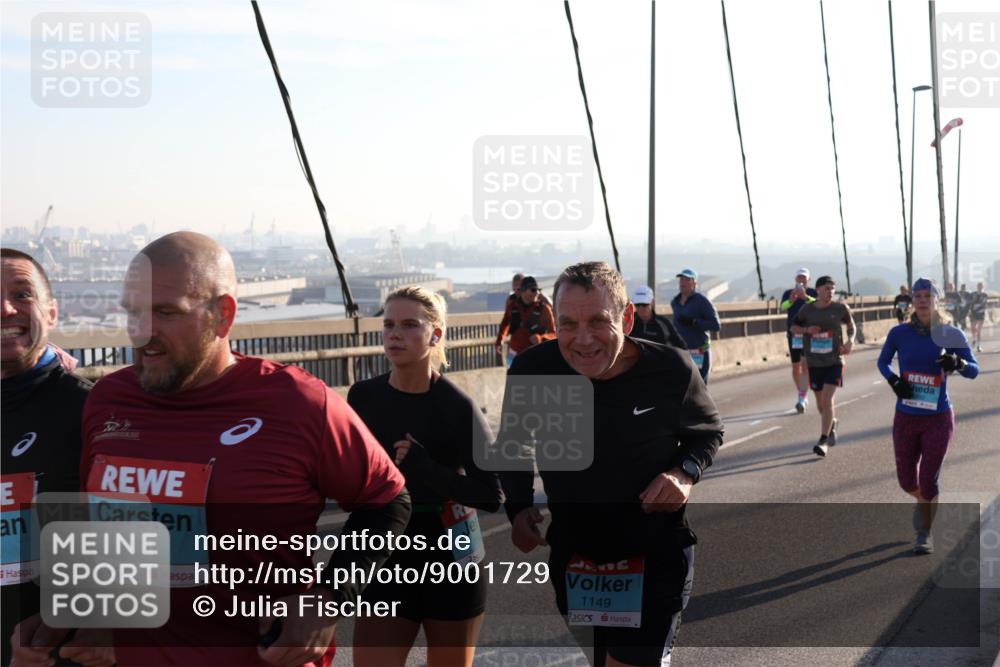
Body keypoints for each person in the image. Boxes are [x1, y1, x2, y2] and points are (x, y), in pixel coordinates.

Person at [79, 232, 411, 666]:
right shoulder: (106, 400)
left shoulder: (299, 403)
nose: (143, 334)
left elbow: (387, 501)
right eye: (134, 313)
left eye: (165, 313)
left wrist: (329, 600)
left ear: (223, 315)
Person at [499, 261, 724, 667]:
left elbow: (707, 433)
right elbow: (513, 444)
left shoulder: (670, 368)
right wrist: (517, 508)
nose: (582, 340)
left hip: (654, 549)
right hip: (576, 555)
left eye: (598, 322)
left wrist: (684, 472)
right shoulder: (534, 370)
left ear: (626, 317)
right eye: (568, 324)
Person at [348, 286, 502, 667]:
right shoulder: (363, 398)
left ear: (436, 335)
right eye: (388, 325)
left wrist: (425, 469)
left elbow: (490, 494)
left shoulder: (457, 406)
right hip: (385, 554)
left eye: (409, 325)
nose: (394, 334)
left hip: (449, 557)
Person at [2, 249, 113, 667]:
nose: (5, 308)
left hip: (50, 650)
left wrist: (107, 628)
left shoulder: (92, 413)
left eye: (22, 294)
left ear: (51, 312)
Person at [877, 278, 979, 554]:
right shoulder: (899, 334)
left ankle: (925, 532)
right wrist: (894, 381)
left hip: (939, 417)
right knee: (907, 481)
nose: (922, 300)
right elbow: (882, 361)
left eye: (927, 295)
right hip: (906, 416)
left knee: (928, 477)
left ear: (936, 299)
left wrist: (958, 362)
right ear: (912, 301)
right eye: (917, 295)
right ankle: (924, 503)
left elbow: (974, 370)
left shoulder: (951, 334)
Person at [791, 276, 856, 458]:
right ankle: (832, 422)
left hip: (835, 361)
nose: (830, 292)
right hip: (814, 363)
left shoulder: (840, 308)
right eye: (827, 288)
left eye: (833, 289)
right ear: (817, 290)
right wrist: (806, 331)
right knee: (821, 404)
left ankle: (823, 440)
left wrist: (850, 341)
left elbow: (852, 326)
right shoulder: (807, 310)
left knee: (827, 399)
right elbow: (793, 328)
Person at [669, 269, 721, 385]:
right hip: (682, 352)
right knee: (683, 386)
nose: (683, 282)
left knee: (699, 386)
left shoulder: (702, 302)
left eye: (687, 279)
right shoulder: (675, 302)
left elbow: (716, 325)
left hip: (699, 351)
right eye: (681, 279)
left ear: (694, 283)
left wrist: (694, 322)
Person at [493, 276, 556, 367]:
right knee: (514, 379)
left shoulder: (544, 309)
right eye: (533, 290)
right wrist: (499, 341)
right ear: (523, 291)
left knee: (531, 380)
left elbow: (554, 334)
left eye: (538, 290)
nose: (537, 293)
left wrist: (541, 338)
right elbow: (505, 324)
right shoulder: (512, 306)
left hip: (535, 355)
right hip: (515, 353)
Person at [780, 268, 818, 413]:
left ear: (808, 279)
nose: (801, 280)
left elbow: (818, 304)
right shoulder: (788, 293)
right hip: (793, 334)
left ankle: (802, 398)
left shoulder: (814, 292)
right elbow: (783, 307)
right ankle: (802, 393)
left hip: (808, 334)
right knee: (796, 367)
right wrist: (791, 300)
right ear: (795, 279)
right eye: (799, 278)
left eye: (804, 277)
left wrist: (805, 297)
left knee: (805, 365)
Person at [968, 282, 988, 353]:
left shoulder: (984, 295)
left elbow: (984, 304)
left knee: (979, 330)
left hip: (981, 313)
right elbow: (970, 303)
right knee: (973, 328)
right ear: (977, 287)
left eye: (981, 286)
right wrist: (969, 311)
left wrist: (979, 307)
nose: (980, 287)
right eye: (979, 286)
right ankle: (974, 339)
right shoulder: (973, 294)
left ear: (983, 287)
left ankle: (978, 345)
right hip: (973, 313)